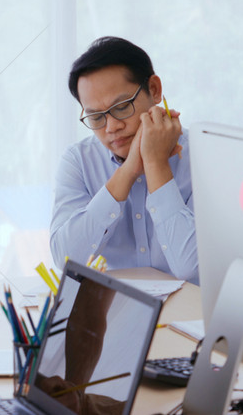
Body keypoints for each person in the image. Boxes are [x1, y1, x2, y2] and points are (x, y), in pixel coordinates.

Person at [50, 37, 197, 283]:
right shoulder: (78, 161)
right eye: (96, 117)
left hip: (187, 317)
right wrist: (128, 172)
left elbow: (191, 268)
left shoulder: (201, 158)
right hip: (112, 316)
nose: (112, 127)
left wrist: (156, 164)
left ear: (154, 89)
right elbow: (65, 260)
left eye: (122, 107)